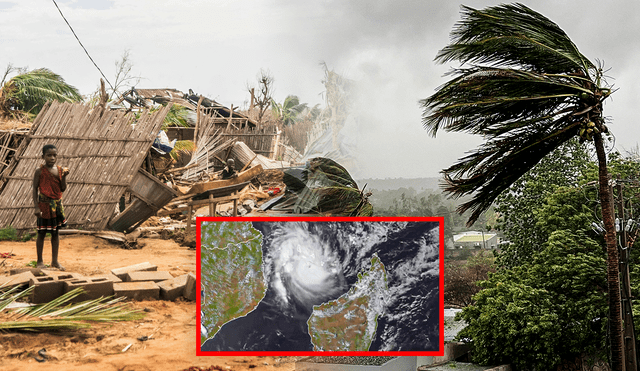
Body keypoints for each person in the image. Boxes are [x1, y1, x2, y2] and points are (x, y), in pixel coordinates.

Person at [32, 144, 69, 270]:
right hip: (44, 206)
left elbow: (62, 188)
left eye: (54, 155)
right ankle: (39, 261)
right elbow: (34, 189)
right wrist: (36, 207)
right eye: (49, 155)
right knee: (41, 233)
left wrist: (64, 177)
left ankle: (54, 261)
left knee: (55, 233)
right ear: (43, 156)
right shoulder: (40, 171)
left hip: (56, 206)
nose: (52, 158)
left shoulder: (59, 170)